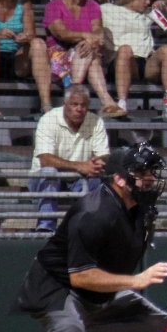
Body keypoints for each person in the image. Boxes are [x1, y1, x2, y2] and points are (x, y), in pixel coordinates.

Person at [13, 142, 167, 332]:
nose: (150, 179)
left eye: (151, 172)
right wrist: (135, 281)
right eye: (142, 173)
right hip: (57, 286)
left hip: (100, 292)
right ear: (119, 179)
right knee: (70, 330)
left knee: (163, 331)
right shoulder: (94, 212)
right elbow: (81, 277)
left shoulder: (141, 209)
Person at [100, 0, 167, 115]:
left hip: (145, 62)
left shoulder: (149, 13)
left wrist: (164, 9)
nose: (148, 2)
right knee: (125, 49)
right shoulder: (107, 9)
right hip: (121, 61)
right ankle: (122, 102)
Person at [44, 0, 122, 116]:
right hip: (58, 57)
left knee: (88, 51)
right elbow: (62, 34)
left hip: (86, 54)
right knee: (88, 51)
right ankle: (106, 101)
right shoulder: (53, 6)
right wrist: (86, 36)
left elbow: (97, 30)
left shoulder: (92, 5)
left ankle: (73, 93)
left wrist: (90, 40)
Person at [28, 84, 108, 232]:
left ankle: (88, 229)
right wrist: (80, 166)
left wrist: (97, 163)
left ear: (88, 105)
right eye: (74, 104)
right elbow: (45, 160)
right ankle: (46, 227)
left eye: (83, 105)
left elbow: (103, 154)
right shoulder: (48, 120)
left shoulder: (96, 121)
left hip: (79, 177)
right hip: (43, 178)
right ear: (64, 104)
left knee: (95, 177)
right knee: (49, 172)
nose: (79, 109)